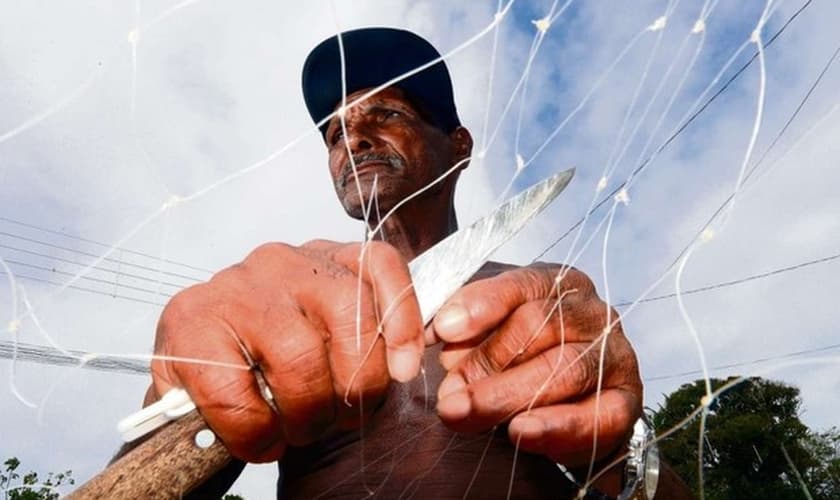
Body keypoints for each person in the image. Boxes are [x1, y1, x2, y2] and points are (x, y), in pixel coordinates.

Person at [145, 28, 691, 499]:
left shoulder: (541, 310)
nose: (353, 138)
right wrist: (182, 394)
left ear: (458, 145)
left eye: (385, 113)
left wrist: (619, 445)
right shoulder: (290, 314)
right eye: (335, 134)